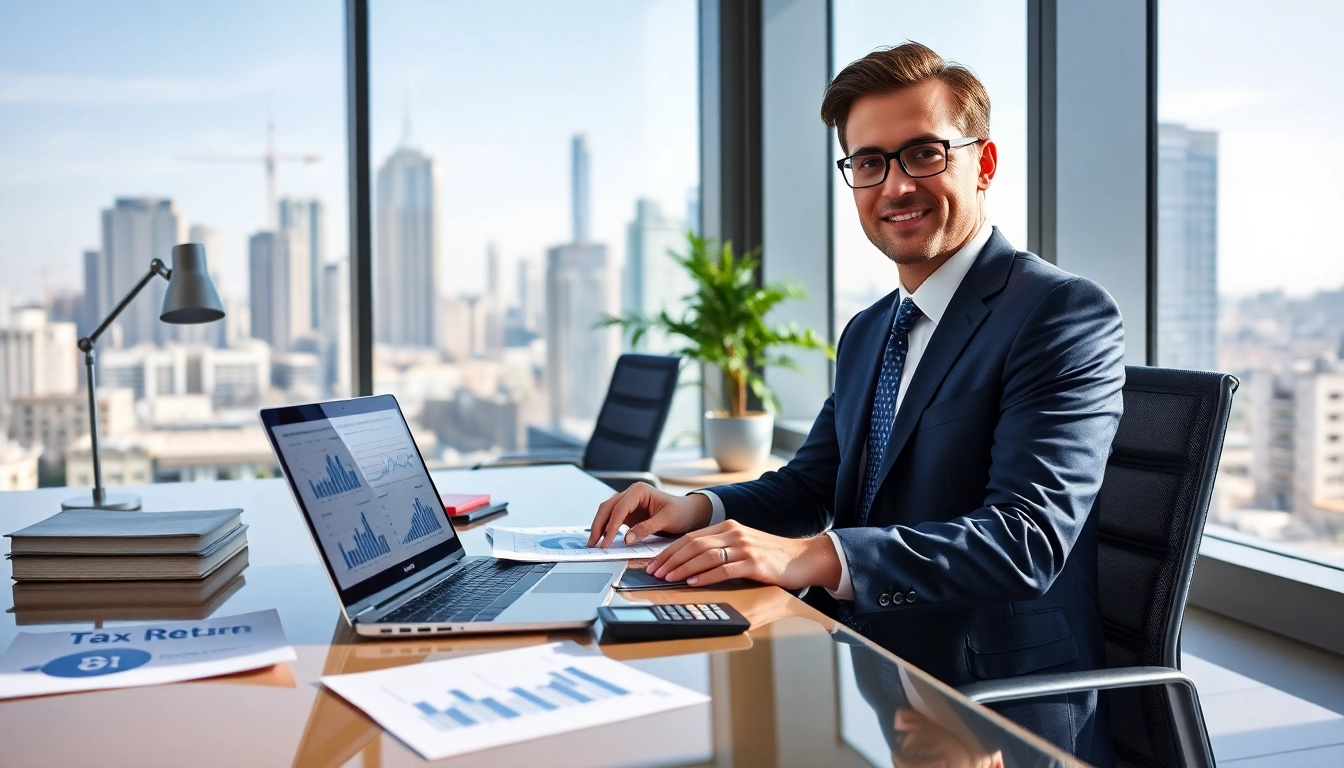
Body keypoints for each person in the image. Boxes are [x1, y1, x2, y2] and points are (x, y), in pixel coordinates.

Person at [588, 41, 1124, 765]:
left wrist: (814, 555)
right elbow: (812, 485)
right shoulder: (872, 330)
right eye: (869, 163)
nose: (894, 186)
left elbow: (1024, 540)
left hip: (992, 707)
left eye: (923, 154)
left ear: (984, 163)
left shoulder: (1059, 313)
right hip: (868, 666)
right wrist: (698, 508)